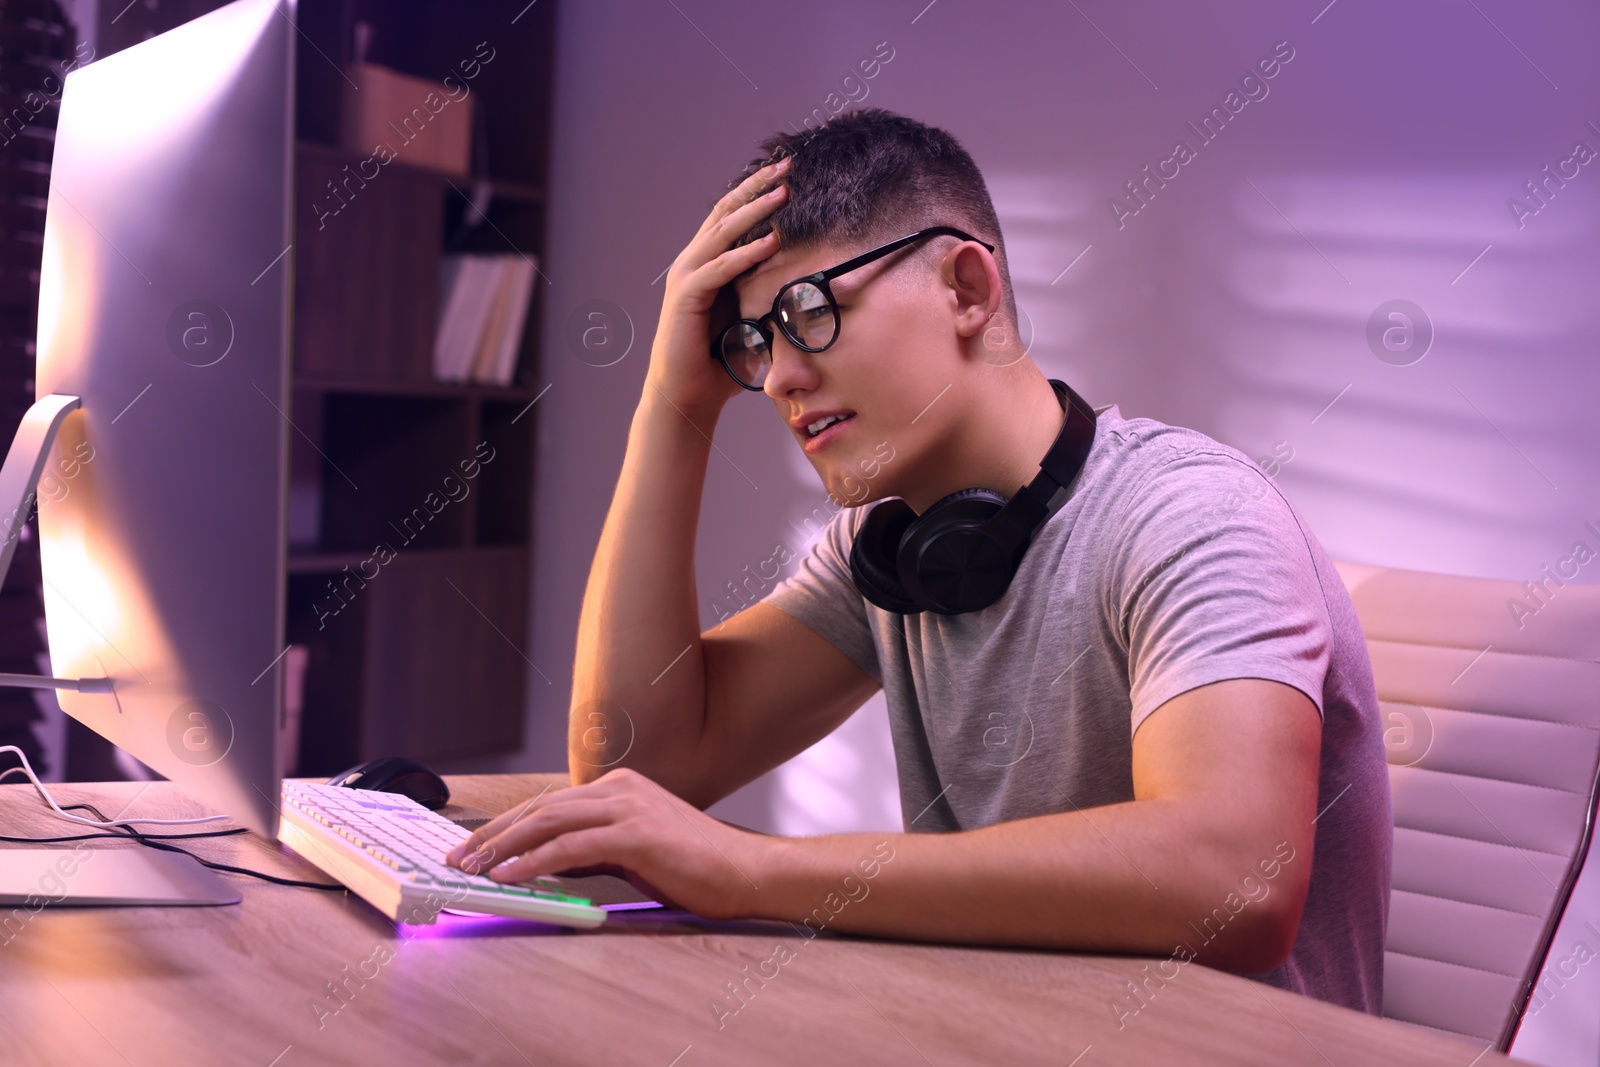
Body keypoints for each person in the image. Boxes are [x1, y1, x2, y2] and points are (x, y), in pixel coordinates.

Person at [446, 108, 1392, 1015]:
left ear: (969, 290)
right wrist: (674, 404)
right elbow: (636, 760)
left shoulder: (1191, 514)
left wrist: (752, 869)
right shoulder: (892, 552)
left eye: (810, 312)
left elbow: (1233, 877)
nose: (778, 376)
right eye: (753, 342)